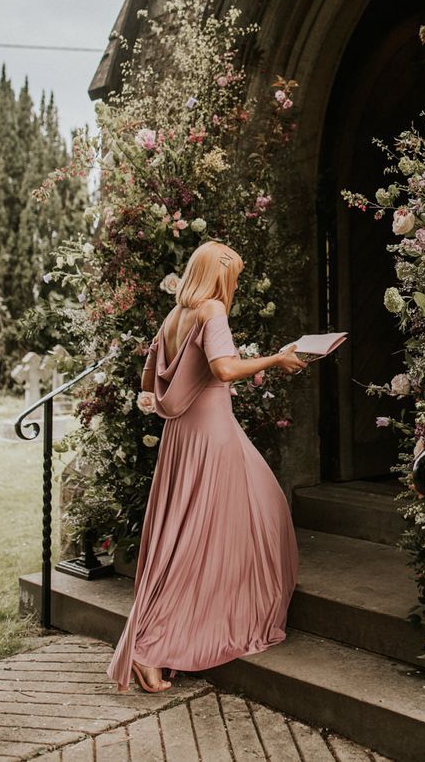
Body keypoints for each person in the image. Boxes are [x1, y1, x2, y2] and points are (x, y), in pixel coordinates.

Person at [106, 240, 306, 693]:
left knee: (186, 536)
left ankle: (163, 640)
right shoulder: (212, 309)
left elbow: (148, 381)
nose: (233, 284)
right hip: (212, 437)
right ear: (219, 276)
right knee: (208, 535)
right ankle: (150, 649)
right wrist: (278, 357)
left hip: (181, 438)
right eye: (232, 274)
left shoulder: (173, 316)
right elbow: (224, 369)